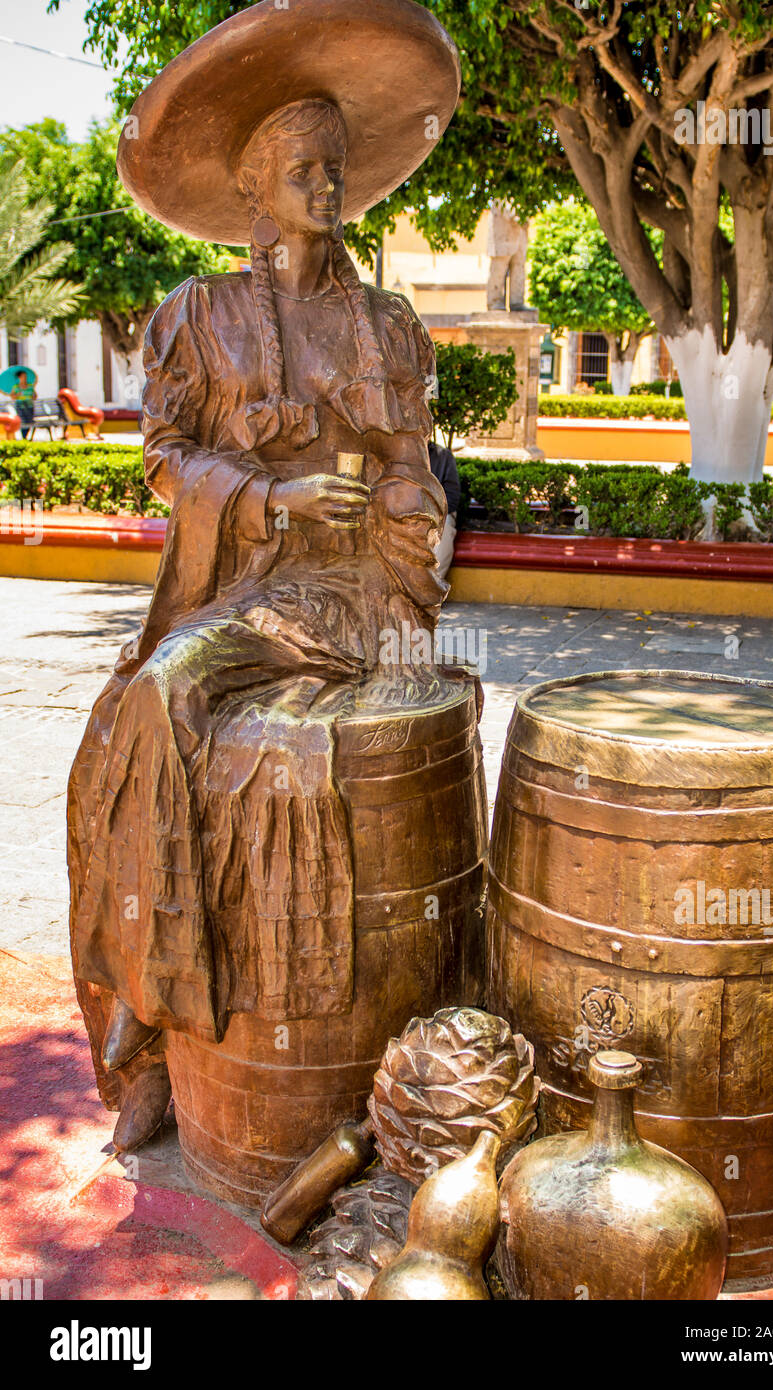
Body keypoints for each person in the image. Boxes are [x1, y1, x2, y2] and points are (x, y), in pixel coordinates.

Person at [68, 5, 463, 1153]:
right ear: (254, 185)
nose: (329, 184)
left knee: (259, 725)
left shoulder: (385, 325)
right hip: (245, 585)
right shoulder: (201, 315)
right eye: (304, 167)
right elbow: (161, 460)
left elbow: (410, 472)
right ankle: (148, 1030)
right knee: (143, 702)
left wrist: (403, 506)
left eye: (337, 166)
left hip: (358, 597)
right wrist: (265, 497)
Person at [428, 437, 460, 579]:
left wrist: (430, 512)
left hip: (439, 514)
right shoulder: (400, 455)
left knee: (443, 528)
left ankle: (430, 590)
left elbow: (452, 499)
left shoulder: (444, 457)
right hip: (408, 515)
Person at [10, 369, 36, 438]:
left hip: (29, 406)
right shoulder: (16, 387)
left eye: (25, 376)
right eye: (23, 376)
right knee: (23, 421)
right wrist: (18, 394)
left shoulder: (30, 386)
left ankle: (26, 436)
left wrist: (33, 396)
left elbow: (35, 396)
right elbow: (12, 397)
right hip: (20, 407)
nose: (25, 378)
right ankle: (24, 436)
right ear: (19, 377)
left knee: (29, 421)